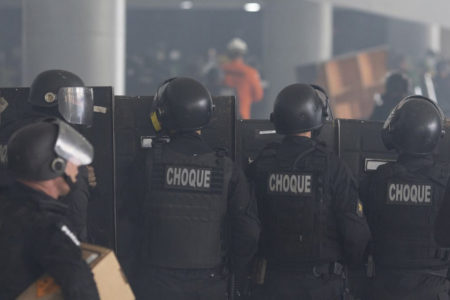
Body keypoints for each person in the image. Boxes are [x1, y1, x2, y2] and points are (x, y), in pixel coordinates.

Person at [128, 77, 260, 299]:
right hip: (210, 284)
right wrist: (232, 271)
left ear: (162, 115)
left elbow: (127, 223)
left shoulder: (147, 163)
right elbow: (249, 232)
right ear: (208, 114)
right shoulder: (226, 169)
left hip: (157, 283)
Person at [248, 83, 371, 300]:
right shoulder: (333, 166)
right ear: (317, 117)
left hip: (272, 283)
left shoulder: (261, 165)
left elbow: (247, 226)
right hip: (322, 285)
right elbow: (355, 234)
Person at [361, 95, 450, 300]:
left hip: (384, 288)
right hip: (435, 290)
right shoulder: (446, 182)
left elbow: (358, 234)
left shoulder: (374, 181)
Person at [0, 119, 99, 300]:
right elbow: (82, 290)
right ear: (55, 166)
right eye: (70, 159)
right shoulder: (48, 227)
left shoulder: (8, 208)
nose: (77, 165)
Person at [0, 69, 97, 241]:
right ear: (51, 99)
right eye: (72, 98)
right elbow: (76, 211)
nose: (77, 104)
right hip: (48, 240)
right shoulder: (61, 139)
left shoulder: (9, 131)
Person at [222, 38, 263, 119]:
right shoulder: (251, 72)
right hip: (242, 119)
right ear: (244, 54)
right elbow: (258, 96)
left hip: (221, 119)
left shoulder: (221, 70)